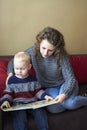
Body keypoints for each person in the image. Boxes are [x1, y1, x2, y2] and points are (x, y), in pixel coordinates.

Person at [7, 27, 87, 114]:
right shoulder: (33, 51)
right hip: (50, 88)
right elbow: (13, 61)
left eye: (50, 50)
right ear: (39, 43)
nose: (45, 53)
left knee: (70, 104)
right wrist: (10, 74)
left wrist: (64, 94)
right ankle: (72, 100)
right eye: (43, 48)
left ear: (56, 49)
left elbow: (70, 79)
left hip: (65, 84)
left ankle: (80, 100)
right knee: (54, 109)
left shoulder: (61, 55)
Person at [0, 51, 53, 130]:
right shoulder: (12, 80)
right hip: (18, 104)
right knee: (19, 117)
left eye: (22, 69)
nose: (19, 71)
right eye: (16, 68)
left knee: (40, 113)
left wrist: (45, 96)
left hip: (32, 102)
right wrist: (5, 101)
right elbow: (8, 93)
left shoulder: (33, 79)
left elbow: (38, 91)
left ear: (29, 67)